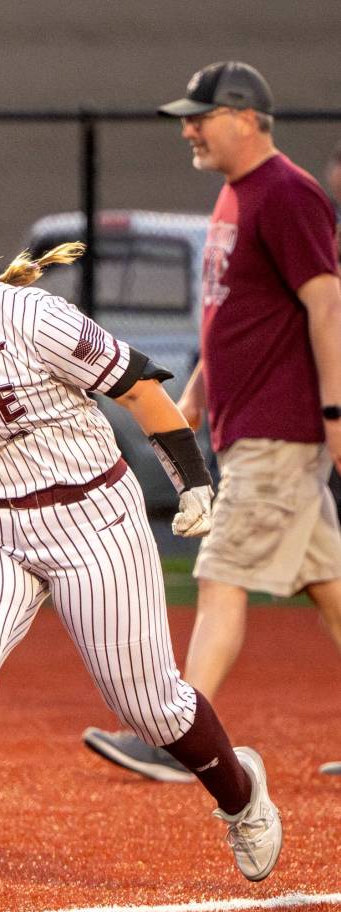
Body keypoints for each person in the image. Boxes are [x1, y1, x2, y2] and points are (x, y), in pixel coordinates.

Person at [0, 183, 282, 912]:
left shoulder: (26, 317)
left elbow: (137, 389)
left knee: (149, 705)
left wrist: (193, 481)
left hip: (89, 517)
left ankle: (239, 790)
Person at [84, 62, 341, 783]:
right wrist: (194, 397)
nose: (189, 130)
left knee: (221, 575)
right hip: (250, 422)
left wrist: (334, 410)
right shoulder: (237, 193)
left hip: (277, 429)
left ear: (246, 119)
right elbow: (235, 319)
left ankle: (178, 740)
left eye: (200, 117)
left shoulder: (287, 192)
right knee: (328, 584)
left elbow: (327, 306)